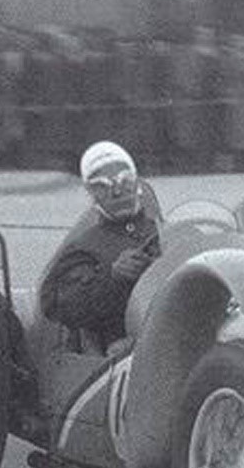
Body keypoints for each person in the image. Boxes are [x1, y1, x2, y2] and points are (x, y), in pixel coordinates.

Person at [40, 141, 161, 347]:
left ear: (137, 184)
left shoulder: (164, 233)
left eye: (125, 181)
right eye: (102, 186)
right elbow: (58, 307)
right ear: (90, 193)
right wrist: (112, 278)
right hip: (120, 353)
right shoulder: (84, 248)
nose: (117, 192)